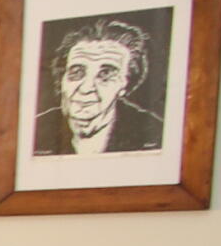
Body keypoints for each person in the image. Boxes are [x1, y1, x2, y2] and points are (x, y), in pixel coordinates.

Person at [32, 17, 167, 156]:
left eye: (105, 74)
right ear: (62, 78)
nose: (86, 88)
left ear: (125, 85)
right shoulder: (33, 131)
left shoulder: (154, 134)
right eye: (77, 72)